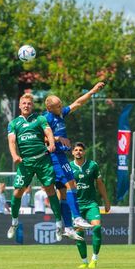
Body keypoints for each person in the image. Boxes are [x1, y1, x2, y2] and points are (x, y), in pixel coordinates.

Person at [44, 81, 105, 240]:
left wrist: (92, 91)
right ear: (49, 108)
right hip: (55, 156)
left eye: (61, 105)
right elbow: (40, 138)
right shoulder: (46, 118)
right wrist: (57, 138)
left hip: (60, 156)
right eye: (58, 106)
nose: (61, 107)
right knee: (72, 184)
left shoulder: (60, 114)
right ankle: (77, 217)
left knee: (63, 193)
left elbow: (77, 103)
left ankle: (68, 228)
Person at [6, 93, 63, 240]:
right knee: (17, 192)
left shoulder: (40, 119)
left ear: (32, 106)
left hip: (43, 160)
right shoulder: (13, 123)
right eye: (24, 103)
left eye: (29, 103)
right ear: (20, 105)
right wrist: (14, 155)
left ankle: (58, 224)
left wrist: (52, 143)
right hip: (26, 162)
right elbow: (11, 141)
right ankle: (14, 222)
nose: (26, 106)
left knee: (50, 189)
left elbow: (48, 132)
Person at [69, 142, 111, 269]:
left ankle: (94, 258)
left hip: (91, 203)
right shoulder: (68, 167)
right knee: (78, 233)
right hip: (76, 205)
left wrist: (106, 200)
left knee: (97, 227)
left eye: (80, 150)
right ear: (72, 152)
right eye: (76, 150)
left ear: (84, 152)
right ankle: (84, 261)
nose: (78, 152)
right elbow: (63, 187)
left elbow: (100, 184)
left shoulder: (93, 165)